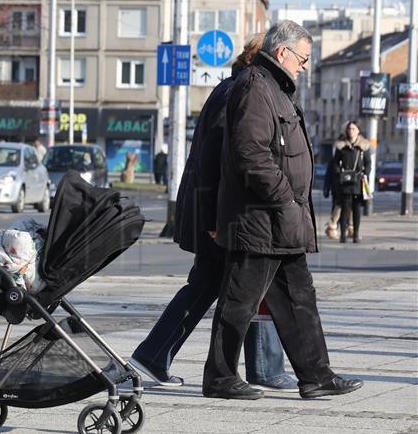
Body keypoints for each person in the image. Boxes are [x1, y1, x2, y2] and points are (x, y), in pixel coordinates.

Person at [203, 20, 363, 400]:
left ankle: (316, 376)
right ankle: (220, 377)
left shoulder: (276, 87)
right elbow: (251, 152)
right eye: (303, 59)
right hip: (260, 218)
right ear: (283, 53)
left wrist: (291, 205)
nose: (304, 67)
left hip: (282, 220)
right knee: (239, 301)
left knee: (299, 299)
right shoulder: (257, 86)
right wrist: (285, 198)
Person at [130, 34, 297, 393]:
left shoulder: (235, 89)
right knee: (235, 284)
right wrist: (212, 222)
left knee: (221, 285)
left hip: (223, 212)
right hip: (222, 214)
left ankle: (155, 355)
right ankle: (259, 367)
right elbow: (215, 162)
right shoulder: (240, 93)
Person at [332, 121, 371, 243]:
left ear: (358, 131)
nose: (351, 131)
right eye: (349, 129)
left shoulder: (363, 146)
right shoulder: (341, 145)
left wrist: (365, 173)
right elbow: (335, 163)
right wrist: (339, 174)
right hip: (345, 182)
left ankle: (355, 234)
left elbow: (368, 162)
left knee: (357, 209)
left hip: (358, 182)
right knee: (344, 208)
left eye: (354, 129)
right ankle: (343, 235)